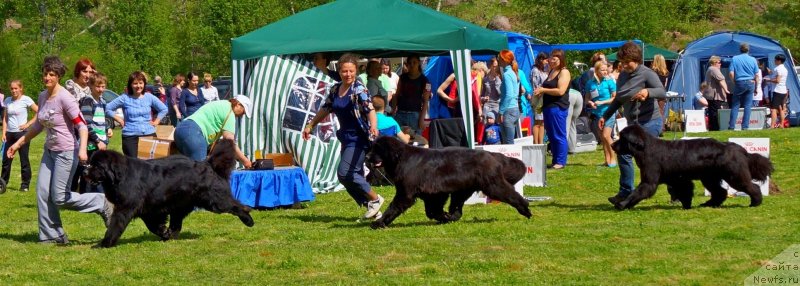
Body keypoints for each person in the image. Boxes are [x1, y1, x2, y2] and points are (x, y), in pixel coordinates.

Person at [6, 55, 112, 244]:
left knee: (60, 197)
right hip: (49, 152)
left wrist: (82, 150)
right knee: (42, 192)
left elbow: (81, 125)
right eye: (45, 74)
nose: (47, 78)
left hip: (66, 151)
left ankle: (101, 202)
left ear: (58, 77)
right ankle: (53, 235)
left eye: (52, 74)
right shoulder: (42, 96)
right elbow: (39, 124)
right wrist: (18, 143)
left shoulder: (65, 98)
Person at [302, 53, 383, 219]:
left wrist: (374, 126)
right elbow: (325, 109)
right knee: (347, 176)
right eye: (345, 71)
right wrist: (311, 125)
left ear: (356, 71)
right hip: (345, 138)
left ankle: (375, 199)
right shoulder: (335, 89)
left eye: (351, 71)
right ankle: (372, 209)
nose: (348, 74)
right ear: (339, 71)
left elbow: (370, 109)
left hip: (359, 138)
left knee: (346, 172)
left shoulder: (359, 89)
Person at [599, 41, 667, 206]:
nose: (623, 65)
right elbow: (618, 99)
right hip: (634, 125)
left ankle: (674, 189)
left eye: (626, 61)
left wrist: (647, 91)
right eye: (621, 62)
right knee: (624, 154)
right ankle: (626, 192)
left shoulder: (647, 73)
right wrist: (606, 115)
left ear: (636, 59)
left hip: (650, 122)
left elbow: (662, 91)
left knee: (653, 160)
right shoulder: (622, 75)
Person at [173, 94, 253, 167]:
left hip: (180, 130)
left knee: (187, 170)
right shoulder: (230, 112)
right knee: (200, 173)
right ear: (238, 105)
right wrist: (246, 161)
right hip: (194, 133)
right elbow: (229, 142)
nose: (242, 115)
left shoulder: (222, 104)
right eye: (244, 112)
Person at [106, 71, 168, 157]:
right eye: (135, 83)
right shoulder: (125, 98)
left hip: (148, 134)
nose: (138, 86)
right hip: (130, 136)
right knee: (133, 165)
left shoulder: (149, 97)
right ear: (130, 85)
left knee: (150, 164)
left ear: (144, 84)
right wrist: (119, 119)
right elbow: (107, 108)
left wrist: (156, 121)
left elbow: (164, 109)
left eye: (141, 83)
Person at [72, 72, 113, 193]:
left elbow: (101, 119)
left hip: (101, 142)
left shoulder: (103, 102)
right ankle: (80, 192)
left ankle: (89, 193)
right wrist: (97, 140)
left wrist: (107, 129)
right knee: (86, 169)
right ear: (91, 86)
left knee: (96, 168)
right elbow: (87, 124)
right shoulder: (88, 101)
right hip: (91, 143)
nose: (100, 89)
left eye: (103, 86)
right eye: (97, 86)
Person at [534, 49, 570, 170]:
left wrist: (543, 90)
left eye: (554, 58)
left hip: (558, 108)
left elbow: (560, 91)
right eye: (551, 58)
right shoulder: (552, 71)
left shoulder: (564, 72)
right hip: (548, 108)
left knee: (559, 135)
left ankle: (560, 161)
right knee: (552, 135)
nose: (551, 60)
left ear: (561, 60)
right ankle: (555, 160)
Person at [2, 80, 38, 192]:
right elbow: (5, 118)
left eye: (16, 88)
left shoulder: (26, 99)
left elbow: (39, 111)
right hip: (9, 133)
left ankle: (25, 185)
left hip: (22, 134)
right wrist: (4, 133)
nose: (14, 90)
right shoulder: (7, 100)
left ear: (21, 88)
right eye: (12, 88)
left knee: (24, 159)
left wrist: (28, 124)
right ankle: (2, 183)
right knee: (6, 160)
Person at [585, 61, 617, 167]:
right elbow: (587, 98)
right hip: (596, 113)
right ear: (596, 71)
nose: (605, 71)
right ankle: (607, 160)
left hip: (608, 112)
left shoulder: (609, 82)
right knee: (602, 138)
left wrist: (602, 102)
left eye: (605, 69)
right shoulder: (590, 83)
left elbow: (614, 98)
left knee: (606, 135)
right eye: (602, 69)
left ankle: (613, 159)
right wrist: (590, 103)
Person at [391, 56, 430, 135]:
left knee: (415, 142)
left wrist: (421, 119)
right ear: (407, 64)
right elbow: (396, 95)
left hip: (415, 116)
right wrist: (393, 111)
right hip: (400, 114)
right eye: (410, 63)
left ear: (418, 63)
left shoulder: (425, 80)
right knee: (398, 142)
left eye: (414, 62)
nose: (412, 65)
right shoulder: (402, 77)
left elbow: (426, 100)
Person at [728, 43, 760, 130]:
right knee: (748, 105)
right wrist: (756, 87)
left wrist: (734, 81)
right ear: (748, 50)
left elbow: (731, 73)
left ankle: (731, 126)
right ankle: (745, 126)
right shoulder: (753, 59)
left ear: (740, 49)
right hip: (750, 82)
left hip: (739, 82)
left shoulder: (735, 58)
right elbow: (757, 74)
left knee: (735, 105)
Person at [497, 49, 520, 145]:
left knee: (508, 142)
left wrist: (501, 111)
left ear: (504, 60)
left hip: (508, 110)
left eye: (499, 58)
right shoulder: (513, 73)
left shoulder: (507, 75)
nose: (498, 60)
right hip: (514, 109)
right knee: (509, 141)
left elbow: (509, 95)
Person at [704, 56, 730, 131]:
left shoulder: (710, 69)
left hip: (711, 95)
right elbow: (721, 80)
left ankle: (713, 128)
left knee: (713, 112)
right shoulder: (713, 69)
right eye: (719, 62)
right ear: (715, 62)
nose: (720, 64)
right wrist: (726, 90)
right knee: (715, 112)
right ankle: (715, 128)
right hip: (714, 96)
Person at [529, 52, 549, 145]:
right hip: (538, 99)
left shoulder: (543, 70)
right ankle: (536, 143)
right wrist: (540, 93)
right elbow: (535, 86)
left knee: (542, 122)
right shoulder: (535, 70)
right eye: (545, 60)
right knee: (537, 121)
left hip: (544, 97)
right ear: (541, 59)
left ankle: (541, 143)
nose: (547, 62)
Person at [767, 54, 789, 129]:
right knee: (781, 108)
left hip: (777, 91)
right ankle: (781, 124)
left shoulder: (778, 69)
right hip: (783, 90)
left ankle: (772, 126)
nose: (774, 61)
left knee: (773, 109)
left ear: (779, 61)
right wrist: (771, 73)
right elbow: (778, 77)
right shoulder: (785, 69)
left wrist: (768, 80)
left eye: (775, 60)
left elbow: (777, 80)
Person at [652, 54, 670, 129]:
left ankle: (656, 128)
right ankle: (662, 128)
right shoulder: (666, 72)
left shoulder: (653, 71)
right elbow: (665, 84)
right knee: (661, 111)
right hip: (662, 93)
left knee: (654, 112)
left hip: (655, 92)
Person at [482, 57, 502, 122]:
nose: (495, 68)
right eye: (494, 66)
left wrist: (497, 80)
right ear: (490, 66)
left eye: (497, 66)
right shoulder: (485, 80)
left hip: (497, 105)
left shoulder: (501, 79)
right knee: (485, 122)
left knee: (494, 123)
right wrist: (483, 98)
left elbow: (501, 94)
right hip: (487, 105)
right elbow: (481, 95)